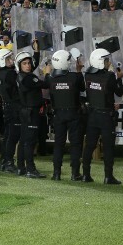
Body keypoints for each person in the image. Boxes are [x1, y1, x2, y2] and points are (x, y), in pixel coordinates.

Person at [83, 48, 123, 184]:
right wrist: (119, 78)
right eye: (106, 60)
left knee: (89, 145)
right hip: (106, 116)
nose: (108, 63)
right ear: (101, 62)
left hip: (92, 115)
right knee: (108, 147)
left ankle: (85, 174)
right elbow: (118, 92)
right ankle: (108, 176)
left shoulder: (87, 75)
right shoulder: (109, 76)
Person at [45, 50, 85, 181]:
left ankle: (56, 173)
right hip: (73, 114)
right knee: (75, 144)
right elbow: (83, 88)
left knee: (58, 144)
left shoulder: (51, 79)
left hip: (58, 115)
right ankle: (75, 173)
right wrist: (79, 71)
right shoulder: (74, 77)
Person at [15, 42, 49, 178]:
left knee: (24, 140)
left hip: (25, 111)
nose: (28, 65)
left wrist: (36, 51)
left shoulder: (21, 75)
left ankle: (21, 168)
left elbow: (33, 65)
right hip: (31, 113)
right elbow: (45, 84)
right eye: (25, 63)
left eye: (29, 63)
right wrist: (47, 74)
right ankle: (30, 169)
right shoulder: (29, 78)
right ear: (20, 65)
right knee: (29, 142)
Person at [0, 48, 22, 173]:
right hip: (14, 106)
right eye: (8, 58)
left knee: (7, 135)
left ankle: (4, 162)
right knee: (12, 136)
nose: (11, 60)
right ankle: (9, 162)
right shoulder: (10, 74)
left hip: (6, 105)